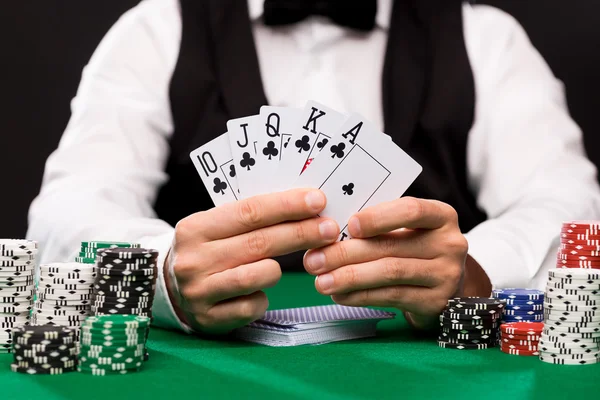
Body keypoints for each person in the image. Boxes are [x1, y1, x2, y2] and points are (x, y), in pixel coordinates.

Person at [28, 0, 600, 335]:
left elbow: (572, 206)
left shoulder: (484, 37)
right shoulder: (157, 28)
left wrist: (473, 273)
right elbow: (64, 212)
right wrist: (165, 273)